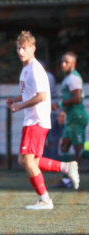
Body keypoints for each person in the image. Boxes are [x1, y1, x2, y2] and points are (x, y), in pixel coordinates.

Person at [7, 31, 79, 210]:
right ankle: (65, 167)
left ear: (33, 48)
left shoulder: (35, 69)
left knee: (27, 161)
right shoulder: (25, 69)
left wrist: (19, 107)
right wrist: (16, 100)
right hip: (30, 121)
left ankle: (45, 199)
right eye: (18, 47)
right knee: (26, 161)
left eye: (24, 47)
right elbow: (28, 93)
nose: (21, 51)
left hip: (36, 121)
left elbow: (41, 96)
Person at [51, 52, 89, 187]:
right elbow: (69, 99)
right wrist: (63, 112)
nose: (63, 64)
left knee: (79, 151)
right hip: (71, 118)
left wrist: (60, 105)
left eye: (66, 62)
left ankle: (67, 179)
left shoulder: (74, 78)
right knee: (64, 147)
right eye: (62, 61)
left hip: (77, 118)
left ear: (73, 64)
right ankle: (66, 180)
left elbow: (77, 98)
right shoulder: (68, 78)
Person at [39, 60, 63, 161]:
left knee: (46, 137)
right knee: (50, 137)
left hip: (49, 111)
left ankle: (48, 161)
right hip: (50, 111)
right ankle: (49, 161)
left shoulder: (44, 77)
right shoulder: (49, 76)